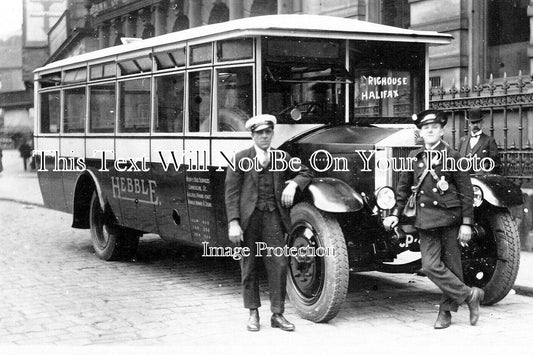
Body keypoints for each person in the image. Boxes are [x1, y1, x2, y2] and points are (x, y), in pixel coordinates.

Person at [383, 109, 484, 329]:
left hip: (449, 218)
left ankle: (446, 313)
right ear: (420, 132)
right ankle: (470, 296)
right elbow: (402, 191)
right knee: (429, 266)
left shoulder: (454, 157)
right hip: (425, 220)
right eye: (426, 128)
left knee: (453, 266)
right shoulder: (414, 158)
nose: (430, 131)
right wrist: (394, 214)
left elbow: (466, 192)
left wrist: (467, 223)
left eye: (434, 127)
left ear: (441, 130)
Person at [225, 114, 313, 332]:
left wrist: (293, 184)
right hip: (249, 219)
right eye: (259, 133)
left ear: (272, 133)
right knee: (249, 265)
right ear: (252, 135)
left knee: (280, 264)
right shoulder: (241, 158)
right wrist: (234, 223)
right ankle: (253, 313)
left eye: (268, 132)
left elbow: (306, 171)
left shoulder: (281, 157)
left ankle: (277, 314)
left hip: (273, 216)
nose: (264, 136)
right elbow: (231, 194)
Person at [458, 107, 500, 174]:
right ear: (469, 124)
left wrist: (483, 173)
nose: (475, 125)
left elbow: (495, 164)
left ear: (482, 122)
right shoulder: (462, 141)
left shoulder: (489, 140)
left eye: (477, 122)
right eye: (473, 122)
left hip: (480, 181)